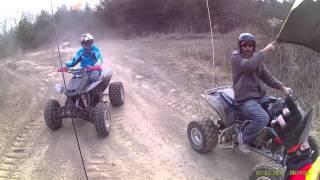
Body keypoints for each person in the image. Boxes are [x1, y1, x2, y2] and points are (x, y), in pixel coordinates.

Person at [231, 33, 293, 154]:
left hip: (259, 96)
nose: (247, 48)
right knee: (262, 118)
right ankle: (243, 138)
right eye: (244, 45)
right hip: (244, 98)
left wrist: (283, 87)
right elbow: (248, 66)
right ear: (240, 46)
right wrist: (264, 51)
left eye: (250, 45)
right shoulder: (236, 58)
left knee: (280, 107)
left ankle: (273, 138)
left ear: (254, 46)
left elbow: (268, 77)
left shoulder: (257, 59)